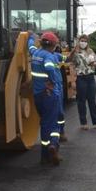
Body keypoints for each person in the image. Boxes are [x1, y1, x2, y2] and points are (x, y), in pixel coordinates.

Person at [27, 32, 62, 165]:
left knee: (44, 123)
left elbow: (30, 46)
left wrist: (30, 36)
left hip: (37, 95)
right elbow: (49, 68)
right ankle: (53, 145)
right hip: (49, 94)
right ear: (53, 45)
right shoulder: (49, 56)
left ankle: (44, 156)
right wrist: (52, 82)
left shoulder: (35, 53)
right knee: (54, 124)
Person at [67, 34, 96, 130]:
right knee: (81, 101)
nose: (83, 42)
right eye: (82, 40)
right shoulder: (75, 52)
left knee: (92, 100)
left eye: (85, 41)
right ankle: (83, 123)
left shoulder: (90, 51)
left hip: (90, 77)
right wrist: (73, 81)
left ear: (87, 42)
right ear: (79, 41)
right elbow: (70, 63)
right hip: (81, 78)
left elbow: (94, 62)